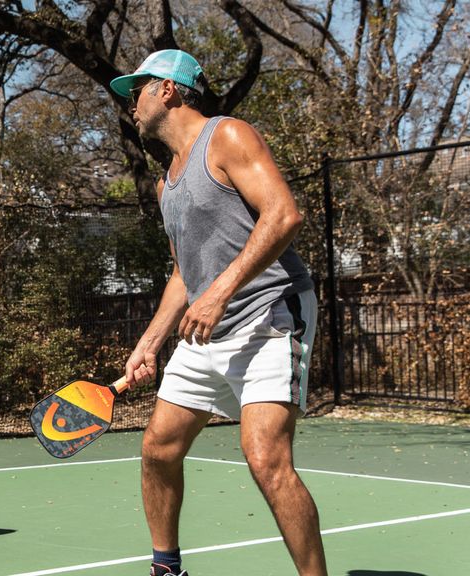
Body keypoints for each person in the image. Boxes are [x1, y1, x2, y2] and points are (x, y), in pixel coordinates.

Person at [110, 49, 327, 576]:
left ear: (168, 89)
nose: (130, 105)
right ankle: (167, 568)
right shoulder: (168, 184)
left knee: (265, 459)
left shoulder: (227, 136)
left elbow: (284, 214)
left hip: (271, 313)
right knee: (159, 449)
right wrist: (150, 342)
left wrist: (221, 290)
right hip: (208, 329)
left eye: (137, 91)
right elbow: (186, 276)